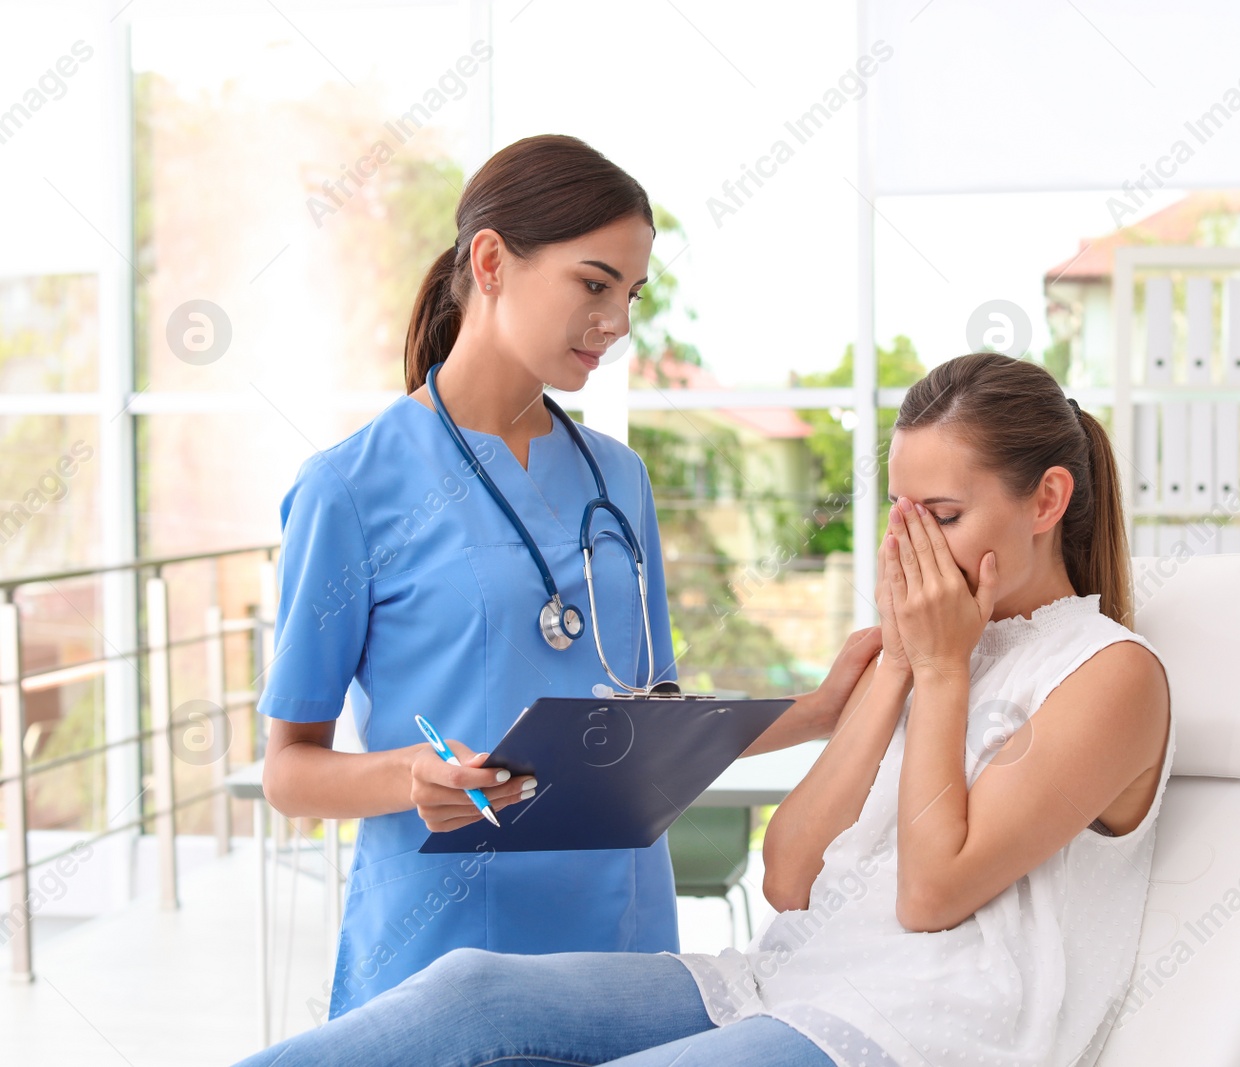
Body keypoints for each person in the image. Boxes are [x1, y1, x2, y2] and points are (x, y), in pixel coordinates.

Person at [237, 352, 1174, 1067]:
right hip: (790, 975)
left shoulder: (1107, 675)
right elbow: (789, 870)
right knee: (470, 995)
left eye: (944, 514)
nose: (911, 545)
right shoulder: (936, 654)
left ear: (1048, 499)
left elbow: (931, 895)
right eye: (900, 514)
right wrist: (894, 673)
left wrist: (940, 672)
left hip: (922, 1024)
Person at [256, 133, 880, 1021]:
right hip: (442, 950)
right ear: (491, 261)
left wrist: (817, 712)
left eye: (631, 294)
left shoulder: (616, 478)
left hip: (617, 938)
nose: (618, 321)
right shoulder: (350, 490)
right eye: (594, 284)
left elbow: (649, 722)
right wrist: (409, 777)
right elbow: (290, 769)